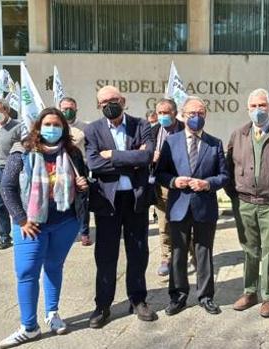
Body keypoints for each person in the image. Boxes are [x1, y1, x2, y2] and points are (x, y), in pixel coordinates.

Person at [0, 107, 89, 348]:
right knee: (27, 271)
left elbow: (83, 183)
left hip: (65, 222)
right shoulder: (22, 152)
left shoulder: (72, 153)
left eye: (57, 125)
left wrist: (82, 184)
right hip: (31, 224)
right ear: (38, 127)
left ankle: (52, 313)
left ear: (64, 128)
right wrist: (20, 219)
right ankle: (29, 327)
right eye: (47, 124)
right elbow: (7, 188)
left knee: (54, 267)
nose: (52, 128)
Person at [85, 85, 157, 327]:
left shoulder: (141, 125)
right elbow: (94, 163)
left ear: (123, 100)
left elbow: (146, 157)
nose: (109, 105)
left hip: (136, 200)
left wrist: (112, 155)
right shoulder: (93, 129)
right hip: (108, 202)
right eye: (103, 102)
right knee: (105, 255)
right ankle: (102, 306)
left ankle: (138, 299)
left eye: (113, 100)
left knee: (138, 252)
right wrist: (130, 157)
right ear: (98, 106)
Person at [155, 96, 229, 316]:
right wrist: (173, 181)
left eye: (201, 113)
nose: (196, 118)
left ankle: (206, 296)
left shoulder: (215, 143)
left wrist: (208, 184)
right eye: (191, 114)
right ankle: (177, 297)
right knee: (177, 253)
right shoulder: (171, 141)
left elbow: (224, 176)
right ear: (183, 116)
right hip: (178, 205)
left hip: (204, 206)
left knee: (204, 251)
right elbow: (160, 173)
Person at [226, 88, 269, 318]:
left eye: (262, 106)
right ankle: (250, 291)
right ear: (247, 109)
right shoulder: (238, 135)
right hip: (244, 203)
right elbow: (228, 167)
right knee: (249, 250)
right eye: (253, 106)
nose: (257, 111)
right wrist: (235, 196)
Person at [151, 98, 185, 276]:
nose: (163, 116)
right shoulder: (153, 131)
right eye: (160, 113)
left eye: (166, 112)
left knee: (184, 223)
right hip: (160, 184)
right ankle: (166, 257)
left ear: (174, 112)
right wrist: (151, 156)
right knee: (164, 223)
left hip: (181, 184)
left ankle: (188, 255)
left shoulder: (185, 129)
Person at [0, 99, 23, 250]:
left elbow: (25, 147)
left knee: (16, 203)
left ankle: (20, 234)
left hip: (14, 170)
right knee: (0, 205)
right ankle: (4, 236)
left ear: (6, 110)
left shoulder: (18, 127)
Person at [58, 96, 92, 246]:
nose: (68, 111)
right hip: (60, 166)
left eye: (71, 108)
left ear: (76, 109)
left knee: (81, 201)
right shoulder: (55, 125)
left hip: (80, 167)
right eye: (64, 109)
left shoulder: (86, 127)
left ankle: (84, 232)